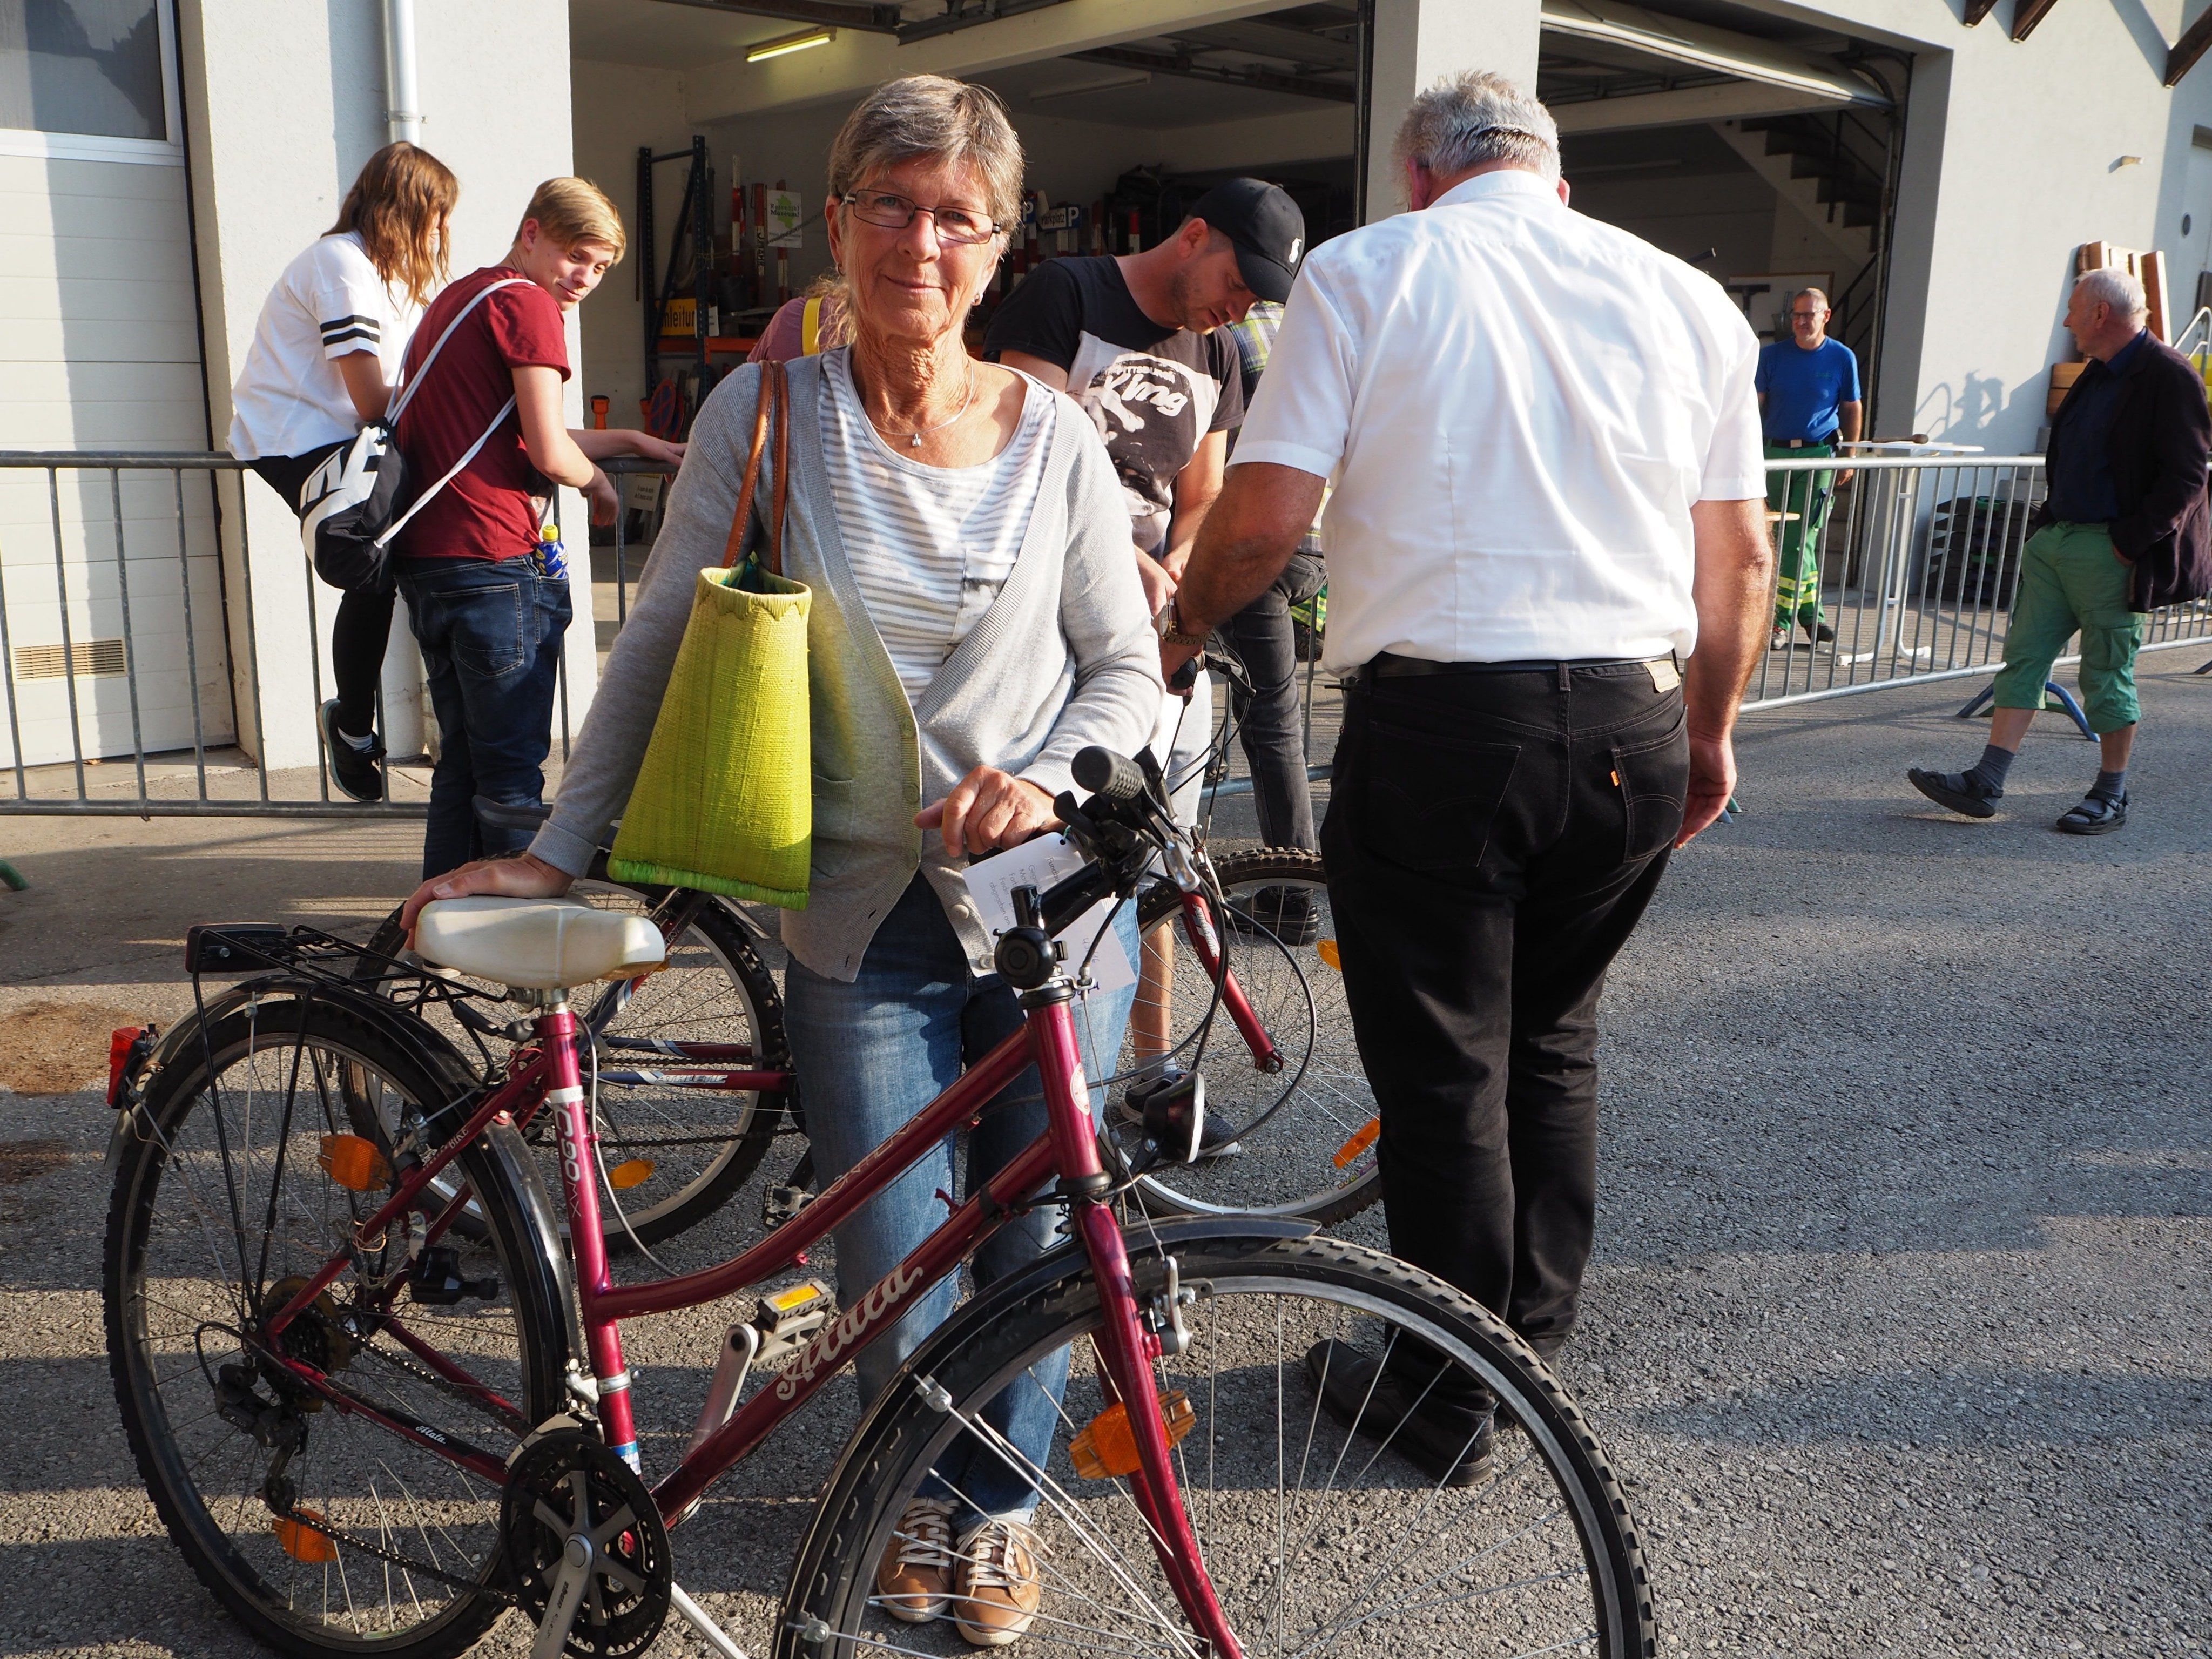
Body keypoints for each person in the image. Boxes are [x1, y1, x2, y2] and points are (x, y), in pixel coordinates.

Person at [399, 77, 1159, 1647]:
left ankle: (998, 1515)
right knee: (893, 1254)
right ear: (837, 222)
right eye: (891, 203)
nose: (921, 242)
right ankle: (911, 1488)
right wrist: (556, 850)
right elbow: (664, 637)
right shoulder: (772, 418)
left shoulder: (1064, 441)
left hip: (1046, 919)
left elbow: (1126, 671)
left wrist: (1053, 780)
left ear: (1003, 244)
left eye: (959, 215)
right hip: (861, 917)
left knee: (1033, 1238)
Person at [1161, 71, 1771, 1484]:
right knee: (1553, 1040)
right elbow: (1735, 560)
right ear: (1552, 177)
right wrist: (1714, 731)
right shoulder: (1687, 297)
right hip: (1631, 713)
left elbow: (1264, 515)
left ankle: (1449, 1395)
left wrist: (1184, 628)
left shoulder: (1370, 270)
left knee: (1444, 1073)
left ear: (1419, 174)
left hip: (1447, 720)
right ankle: (1526, 1350)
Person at [982, 176, 1305, 1056]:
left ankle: (1150, 1073)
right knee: (1037, 865)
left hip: (1156, 647)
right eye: (1239, 282)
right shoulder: (1066, 293)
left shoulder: (1222, 354)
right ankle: (1029, 1079)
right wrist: (1112, 554)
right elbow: (1023, 463)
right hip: (1044, 642)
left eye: (1257, 299)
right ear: (1194, 236)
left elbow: (1203, 496)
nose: (1241, 307)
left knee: (1155, 864)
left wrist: (1176, 560)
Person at [390, 178, 682, 880]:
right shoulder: (529, 306)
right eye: (575, 256)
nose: (583, 278)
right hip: (495, 561)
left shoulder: (462, 299)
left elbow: (519, 433)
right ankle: (518, 948)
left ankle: (439, 930)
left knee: (461, 764)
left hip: (430, 561)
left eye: (601, 267)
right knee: (515, 782)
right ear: (531, 233)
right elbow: (550, 452)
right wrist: (603, 486)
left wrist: (637, 443)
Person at [1908, 266, 2211, 834]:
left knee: (2107, 673)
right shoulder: (2095, 373)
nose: (2067, 320)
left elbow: (2188, 476)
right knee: (2022, 663)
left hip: (2109, 548)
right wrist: (2046, 530)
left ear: (2101, 313)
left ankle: (2110, 792)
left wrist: (2128, 545)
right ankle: (1987, 781)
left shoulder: (2167, 376)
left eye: (2073, 309)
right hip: (2059, 541)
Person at [227, 141, 457, 802]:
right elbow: (375, 400)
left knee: (403, 559)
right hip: (295, 436)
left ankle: (362, 724)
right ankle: (354, 726)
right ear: (406, 209)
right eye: (437, 215)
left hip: (348, 435)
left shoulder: (389, 274)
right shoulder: (339, 263)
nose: (443, 231)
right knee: (375, 564)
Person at [1220, 298, 1325, 907]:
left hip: (1260, 544)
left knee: (1271, 724)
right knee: (1270, 720)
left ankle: (1292, 901)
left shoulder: (1225, 333)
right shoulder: (1299, 321)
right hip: (1314, 545)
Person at [1757, 286, 1860, 649]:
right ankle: (1810, 614)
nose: (1801, 322)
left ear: (1826, 317)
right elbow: (1754, 406)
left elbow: (1851, 407)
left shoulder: (1841, 358)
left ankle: (1780, 623)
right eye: (1796, 315)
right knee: (1785, 541)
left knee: (1802, 540)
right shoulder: (1771, 357)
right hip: (1775, 454)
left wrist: (1849, 455)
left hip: (1818, 456)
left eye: (1809, 315)